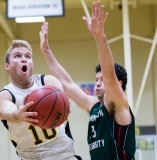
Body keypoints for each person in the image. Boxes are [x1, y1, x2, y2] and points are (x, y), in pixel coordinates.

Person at [39, 1, 135, 160]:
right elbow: (67, 84)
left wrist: (100, 37)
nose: (97, 83)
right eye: (96, 79)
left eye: (101, 80)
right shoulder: (94, 106)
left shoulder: (119, 105)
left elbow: (110, 75)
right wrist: (46, 51)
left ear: (119, 84)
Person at [0, 40, 82, 160]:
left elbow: (61, 101)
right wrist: (17, 115)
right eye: (17, 56)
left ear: (32, 64)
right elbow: (6, 111)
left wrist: (63, 107)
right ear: (7, 66)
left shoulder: (49, 82)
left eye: (28, 56)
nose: (24, 59)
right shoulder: (3, 96)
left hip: (65, 155)